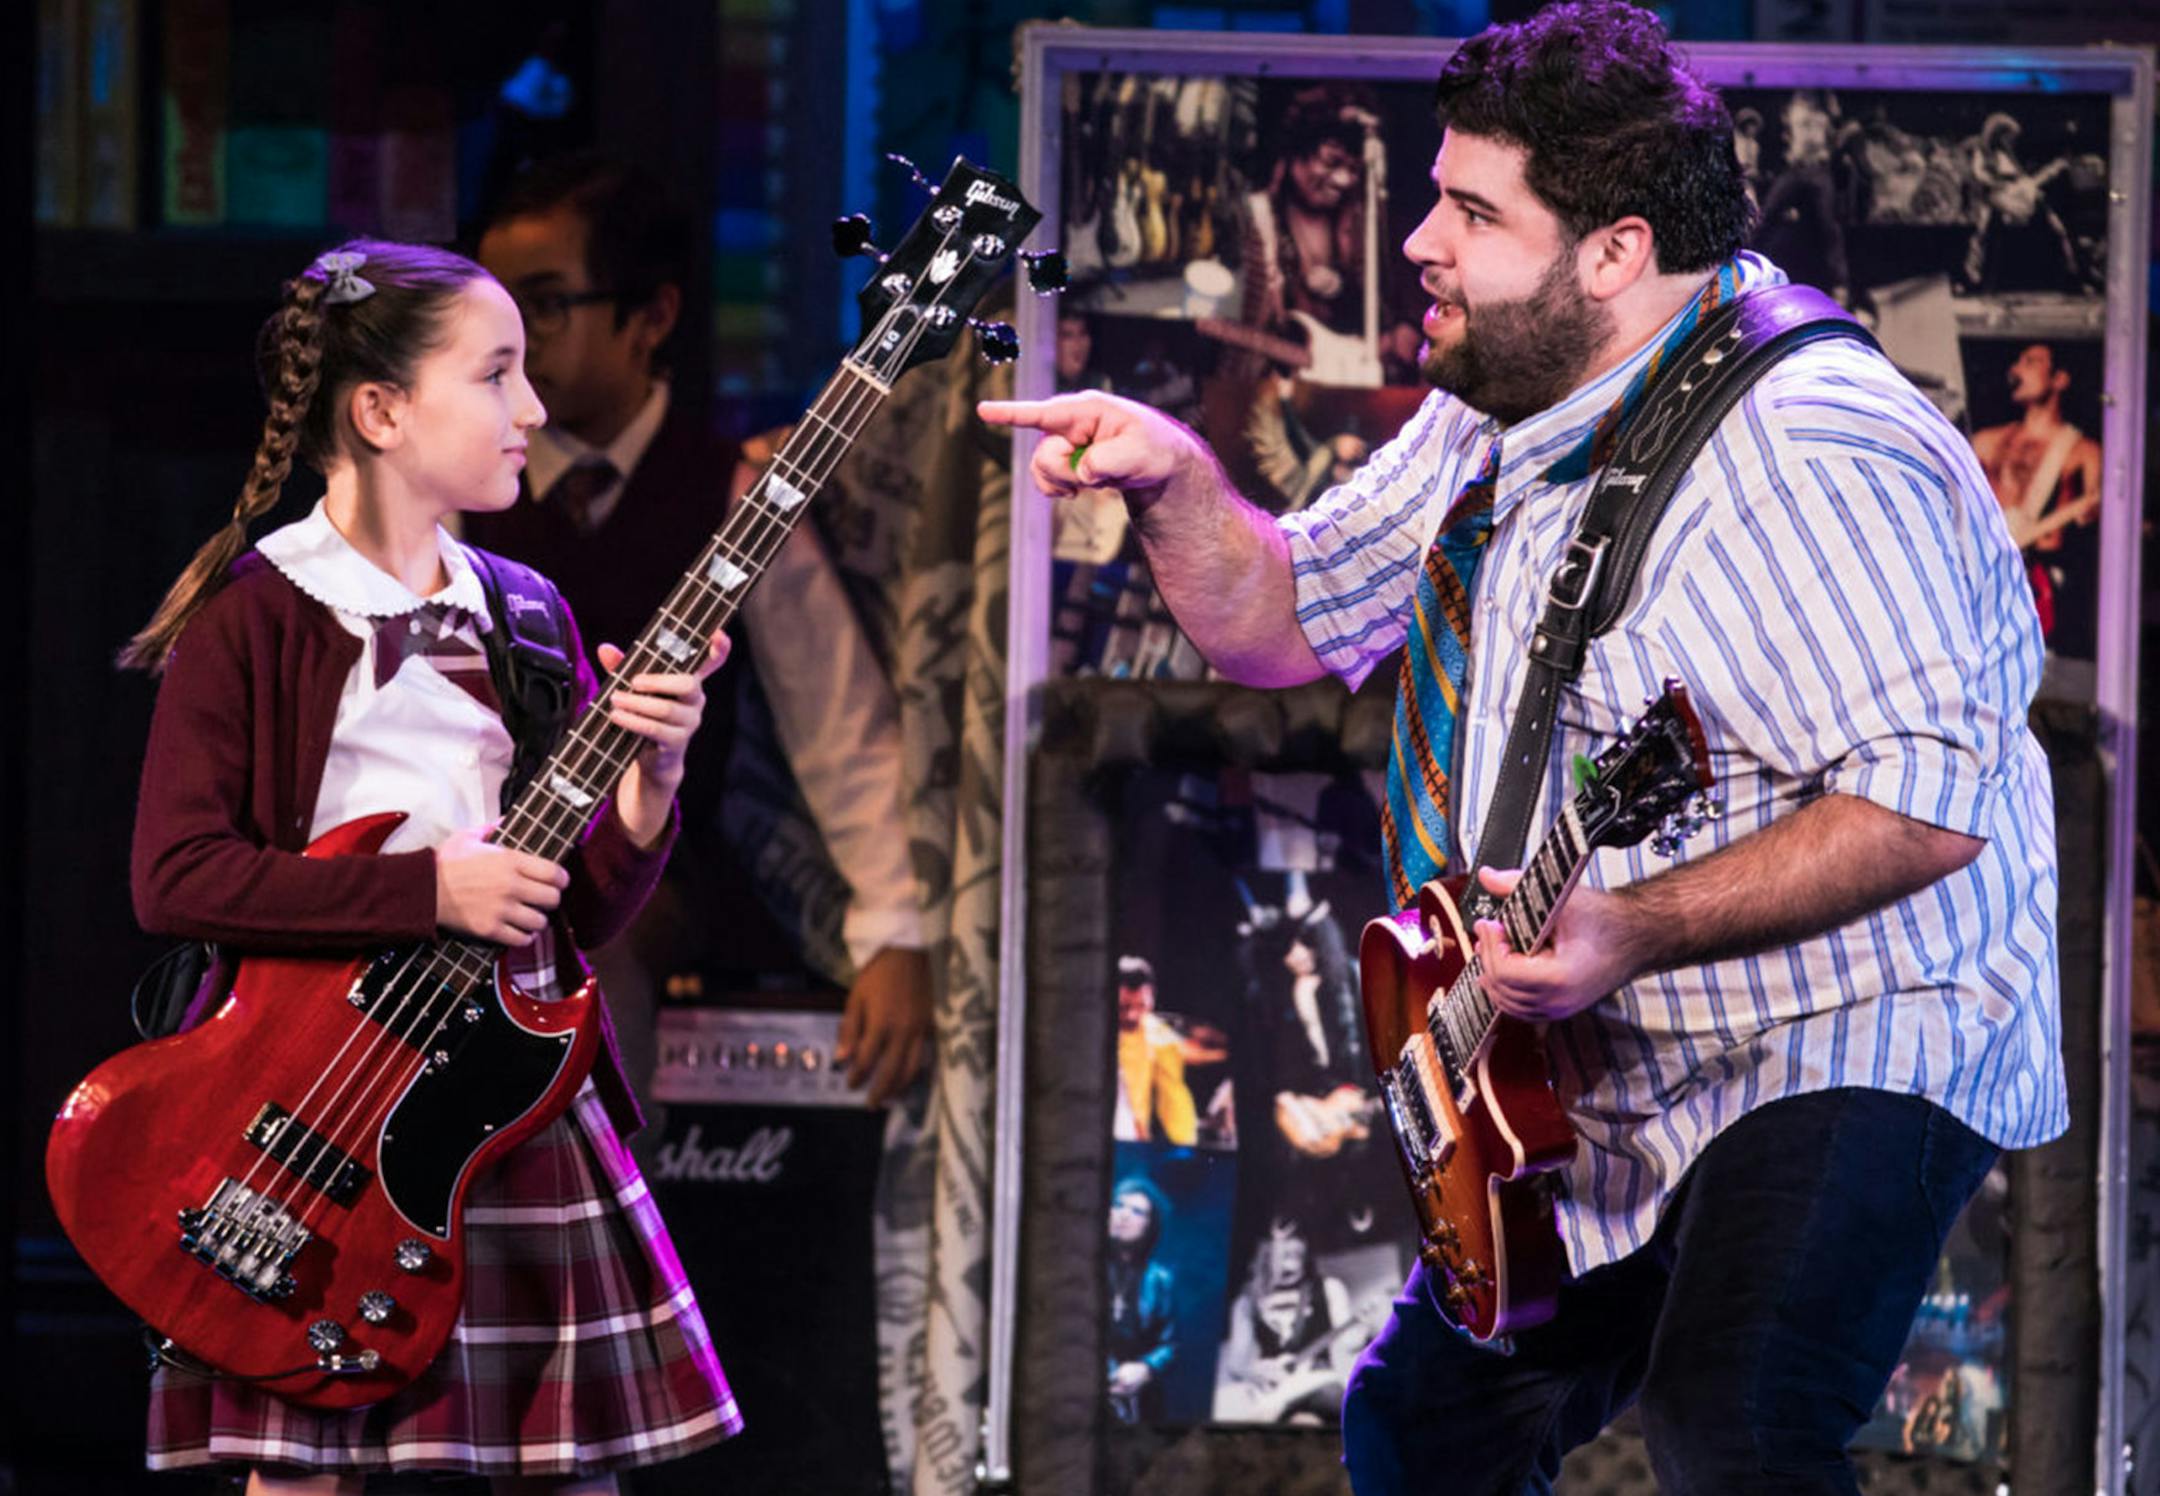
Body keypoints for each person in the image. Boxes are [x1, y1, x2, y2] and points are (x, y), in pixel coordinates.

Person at [983, 3, 2062, 1490]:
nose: (1418, 238)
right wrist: (1175, 485)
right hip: (1603, 1053)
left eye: (1470, 210)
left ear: (1615, 251)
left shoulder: (1818, 449)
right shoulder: (1510, 396)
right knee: (1418, 1426)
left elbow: (1932, 807)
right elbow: (1282, 619)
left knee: (1732, 1420)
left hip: (1853, 1020)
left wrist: (1635, 922)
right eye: (1438, 193)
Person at [123, 239, 741, 1492]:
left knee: (562, 1462)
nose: (533, 408)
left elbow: (576, 912)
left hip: (506, 1096)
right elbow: (176, 874)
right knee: (307, 1468)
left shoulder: (524, 613)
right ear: (382, 411)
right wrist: (427, 890)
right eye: (497, 373)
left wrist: (648, 788)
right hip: (312, 1102)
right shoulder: (257, 613)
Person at [461, 153, 932, 1126]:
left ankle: (596, 1242)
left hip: (663, 870)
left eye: (545, 306)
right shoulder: (464, 491)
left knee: (591, 943)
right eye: (493, 311)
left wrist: (894, 929)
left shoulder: (736, 492)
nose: (512, 342)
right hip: (471, 852)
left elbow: (839, 726)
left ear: (653, 317)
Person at [1970, 341, 2102, 645]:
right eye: (2016, 362)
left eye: (2031, 362)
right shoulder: (1986, 442)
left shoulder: (2082, 452)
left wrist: (2087, 513)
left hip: (2037, 593)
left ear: (2060, 379)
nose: (2015, 369)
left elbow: (2093, 512)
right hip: (1979, 583)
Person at [1213, 1216, 1358, 1425]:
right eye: (1284, 1254)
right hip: (1272, 1390)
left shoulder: (1330, 1288)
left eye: (1297, 1254)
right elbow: (1236, 1364)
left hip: (1317, 1381)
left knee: (1343, 1408)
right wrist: (1256, 1371)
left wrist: (1363, 1333)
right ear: (1266, 1251)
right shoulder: (1246, 1301)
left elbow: (1351, 1340)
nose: (1291, 1263)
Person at [1104, 1177, 1178, 1425]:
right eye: (1118, 1205)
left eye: (1137, 1211)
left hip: (1136, 1404)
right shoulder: (1079, 1266)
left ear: (1150, 1225)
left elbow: (1170, 1344)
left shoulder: (1159, 1280)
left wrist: (1146, 1369)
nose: (1124, 1215)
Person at [1114, 955, 1199, 1146]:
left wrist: (1185, 1147)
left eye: (1141, 1006)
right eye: (1123, 1007)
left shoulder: (1160, 1036)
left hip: (1130, 1143)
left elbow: (1173, 1096)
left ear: (1151, 996)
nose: (1132, 1015)